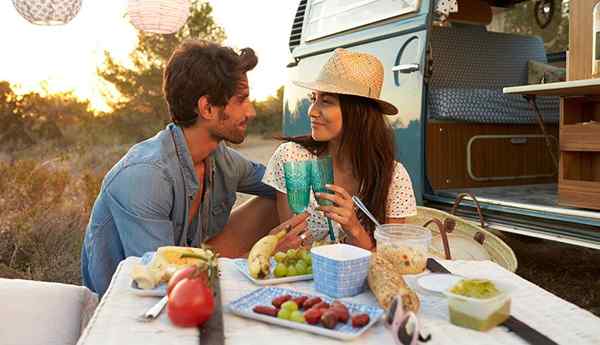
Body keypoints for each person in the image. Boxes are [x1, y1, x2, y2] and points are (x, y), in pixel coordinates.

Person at [81, 40, 308, 295]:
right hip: (131, 301)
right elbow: (158, 281)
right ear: (208, 108)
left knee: (274, 196)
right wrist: (259, 257)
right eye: (241, 100)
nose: (251, 111)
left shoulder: (220, 158)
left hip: (186, 277)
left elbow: (280, 181)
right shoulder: (145, 176)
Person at [263, 48, 417, 250]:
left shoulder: (393, 177)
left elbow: (388, 260)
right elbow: (294, 245)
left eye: (326, 102)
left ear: (358, 114)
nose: (312, 111)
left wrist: (354, 228)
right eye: (313, 99)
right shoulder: (292, 157)